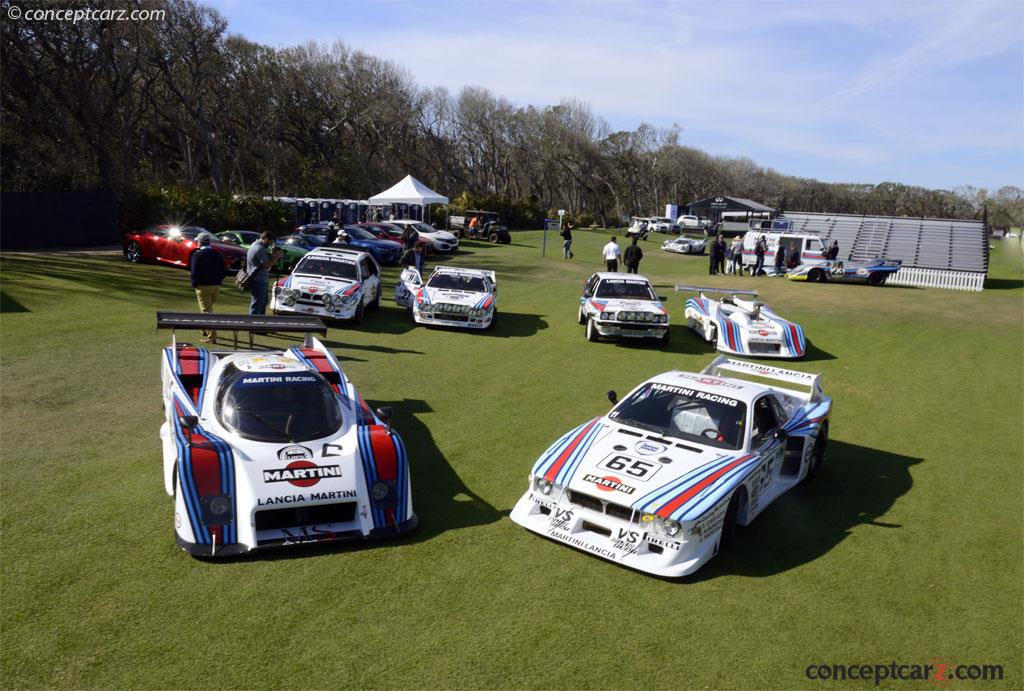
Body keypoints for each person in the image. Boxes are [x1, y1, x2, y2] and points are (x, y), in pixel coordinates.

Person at [189, 234, 226, 343]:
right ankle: (204, 328)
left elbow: (194, 272)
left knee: (207, 312)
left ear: (199, 242)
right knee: (207, 309)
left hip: (202, 287)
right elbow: (223, 272)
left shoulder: (197, 254)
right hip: (216, 286)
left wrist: (194, 284)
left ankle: (212, 337)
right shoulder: (217, 254)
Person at [246, 231, 284, 315]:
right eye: (271, 242)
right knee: (257, 303)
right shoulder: (259, 248)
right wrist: (277, 256)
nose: (271, 244)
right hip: (258, 280)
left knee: (263, 302)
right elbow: (266, 265)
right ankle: (253, 325)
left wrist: (273, 254)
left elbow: (264, 259)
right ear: (266, 239)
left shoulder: (255, 245)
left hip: (260, 279)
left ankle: (261, 322)